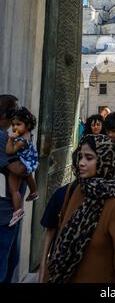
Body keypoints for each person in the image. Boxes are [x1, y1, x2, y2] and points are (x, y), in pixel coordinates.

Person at [47, 134, 115, 282]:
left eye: (89, 158)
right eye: (80, 156)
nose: (81, 163)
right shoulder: (76, 189)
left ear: (105, 160)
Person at [0, 94, 25, 283]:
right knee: (5, 263)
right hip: (4, 214)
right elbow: (17, 168)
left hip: (8, 213)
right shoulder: (2, 138)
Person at [5, 107, 39, 227]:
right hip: (29, 161)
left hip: (22, 164)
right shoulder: (28, 134)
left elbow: (9, 151)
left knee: (13, 189)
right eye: (13, 124)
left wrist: (10, 138)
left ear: (28, 124)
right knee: (28, 175)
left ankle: (18, 211)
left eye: (18, 124)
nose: (14, 128)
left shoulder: (20, 140)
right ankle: (34, 191)